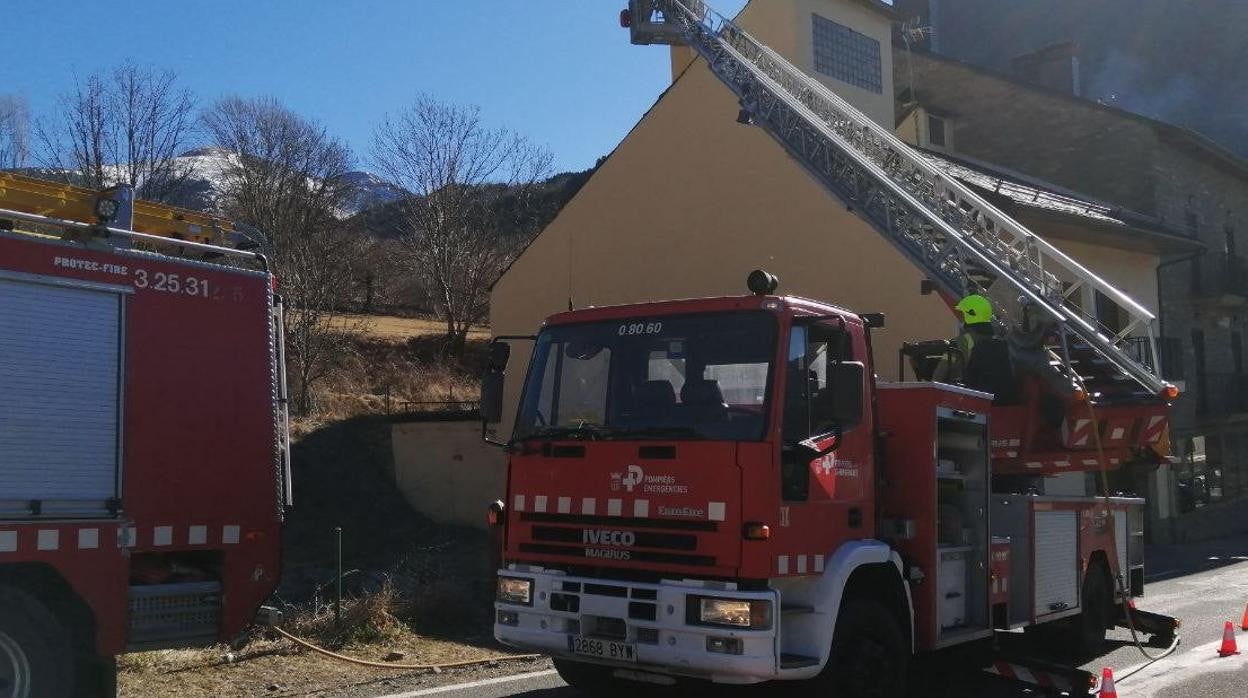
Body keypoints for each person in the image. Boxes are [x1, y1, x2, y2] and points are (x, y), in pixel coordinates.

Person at [934, 294, 996, 383]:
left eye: (963, 314)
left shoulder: (960, 343)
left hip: (962, 394)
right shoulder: (997, 343)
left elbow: (939, 374)